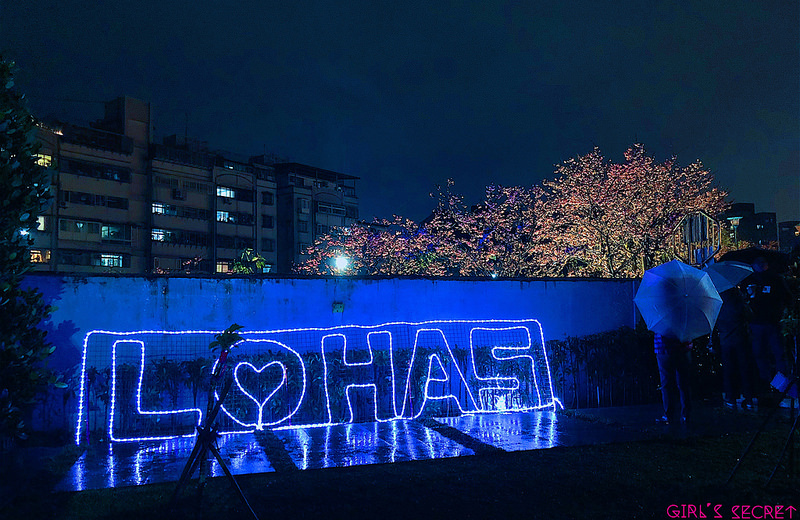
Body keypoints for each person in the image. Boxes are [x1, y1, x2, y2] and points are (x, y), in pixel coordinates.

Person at [746, 256, 791, 388]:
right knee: (761, 353)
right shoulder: (750, 280)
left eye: (762, 262)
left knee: (777, 353)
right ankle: (767, 383)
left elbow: (786, 297)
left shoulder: (775, 280)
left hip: (771, 322)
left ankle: (780, 385)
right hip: (758, 322)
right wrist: (750, 295)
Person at [715, 286, 755, 409]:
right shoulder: (738, 300)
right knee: (745, 368)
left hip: (725, 340)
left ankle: (730, 398)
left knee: (728, 370)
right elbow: (749, 315)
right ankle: (748, 399)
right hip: (741, 338)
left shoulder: (718, 303)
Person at [654, 333, 693, 424]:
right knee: (684, 383)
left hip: (663, 347)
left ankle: (668, 415)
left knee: (666, 383)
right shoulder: (684, 319)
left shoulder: (661, 319)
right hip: (683, 347)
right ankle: (686, 415)